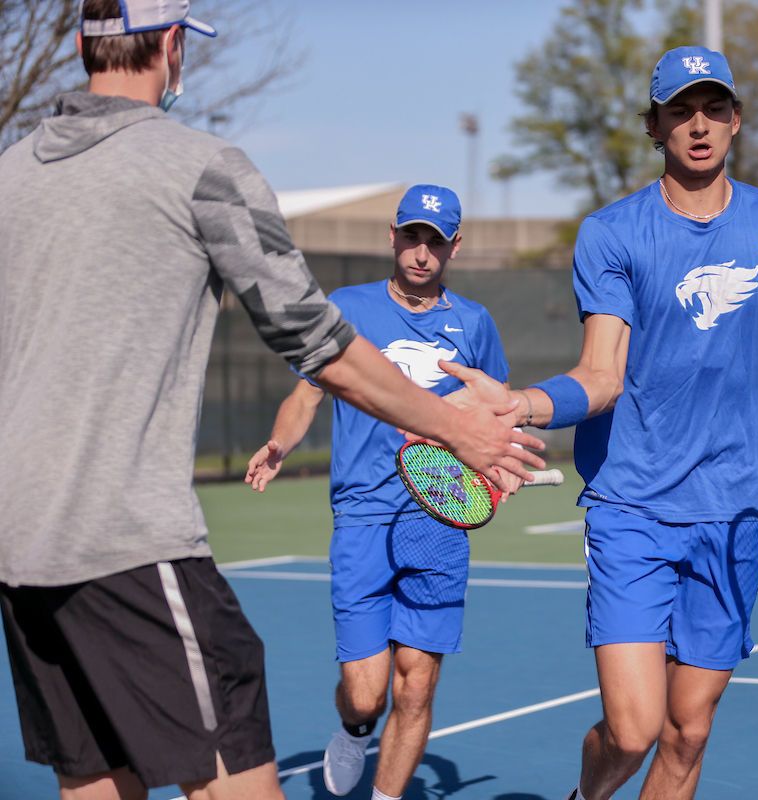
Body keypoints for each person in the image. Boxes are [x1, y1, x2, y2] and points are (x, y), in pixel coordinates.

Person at [0, 3, 543, 800]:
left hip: (17, 544)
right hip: (125, 538)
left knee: (95, 779)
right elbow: (318, 344)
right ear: (173, 47)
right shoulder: (204, 167)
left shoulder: (10, 174)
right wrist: (456, 428)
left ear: (82, 42)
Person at [493, 47, 758, 800]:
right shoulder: (612, 234)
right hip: (633, 504)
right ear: (653, 125)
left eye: (713, 109)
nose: (698, 126)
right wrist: (522, 404)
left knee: (688, 732)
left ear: (735, 121)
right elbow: (600, 377)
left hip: (735, 510)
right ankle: (585, 795)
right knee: (633, 732)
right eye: (680, 111)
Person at [244, 184, 519, 800]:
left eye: (436, 241)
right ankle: (352, 728)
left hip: (440, 520)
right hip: (363, 518)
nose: (422, 252)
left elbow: (496, 414)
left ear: (453, 248)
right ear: (392, 237)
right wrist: (282, 443)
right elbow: (308, 392)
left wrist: (501, 467)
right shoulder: (346, 308)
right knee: (367, 695)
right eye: (413, 237)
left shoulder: (474, 322)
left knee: (415, 687)